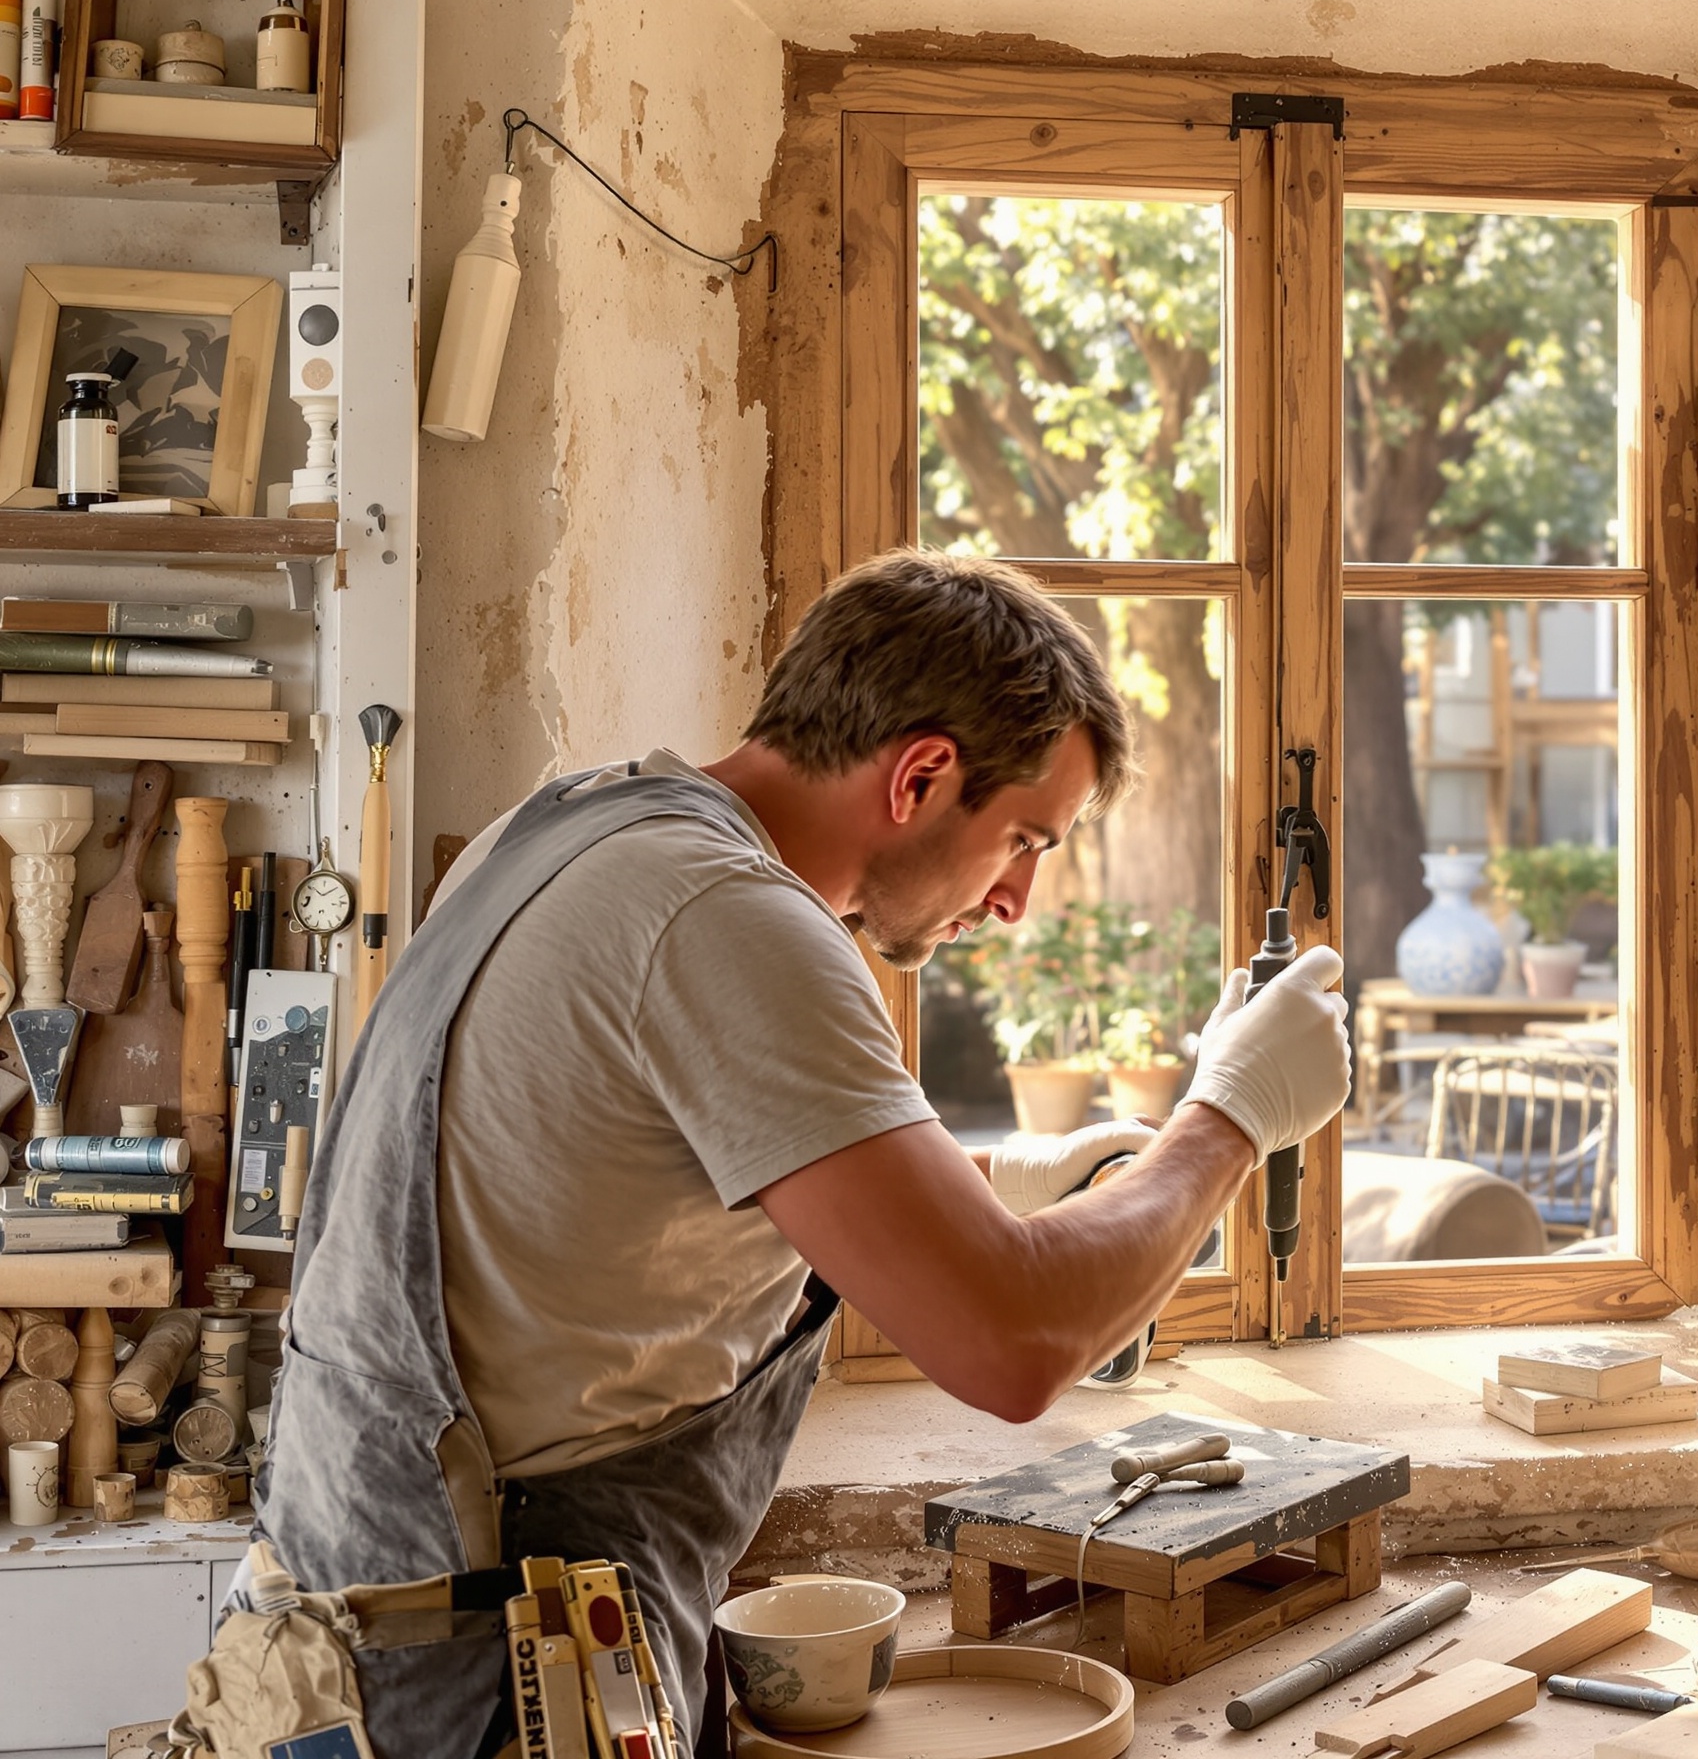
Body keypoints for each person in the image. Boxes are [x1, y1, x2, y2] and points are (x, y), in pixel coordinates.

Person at [254, 550, 1352, 1759]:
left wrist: (1003, 1197)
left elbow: (639, 1191)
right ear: (923, 774)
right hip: (481, 1682)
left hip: (358, 1645)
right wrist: (1231, 1114)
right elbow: (1012, 1345)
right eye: (1024, 840)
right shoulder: (726, 915)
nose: (1016, 902)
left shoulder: (576, 824)